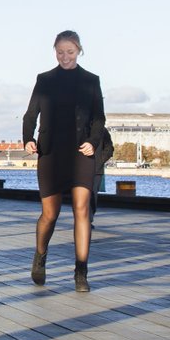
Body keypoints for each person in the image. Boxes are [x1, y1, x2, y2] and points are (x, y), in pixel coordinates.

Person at [22, 30, 106, 292]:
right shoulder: (44, 80)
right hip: (51, 154)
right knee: (50, 214)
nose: (65, 56)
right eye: (60, 52)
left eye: (70, 52)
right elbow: (30, 115)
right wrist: (27, 138)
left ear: (79, 50)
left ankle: (81, 272)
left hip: (81, 152)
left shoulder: (91, 81)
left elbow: (99, 118)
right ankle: (40, 255)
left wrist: (92, 141)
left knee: (82, 210)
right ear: (54, 51)